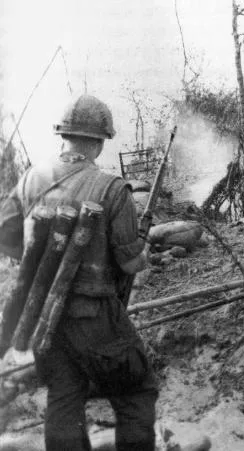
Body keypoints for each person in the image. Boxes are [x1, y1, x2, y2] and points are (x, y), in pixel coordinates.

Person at [0, 94, 157, 450]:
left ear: (63, 135)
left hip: (43, 318)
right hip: (94, 317)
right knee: (136, 390)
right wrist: (143, 248)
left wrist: (40, 258)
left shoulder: (31, 178)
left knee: (64, 394)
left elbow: (6, 237)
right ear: (100, 142)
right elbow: (130, 263)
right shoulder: (113, 188)